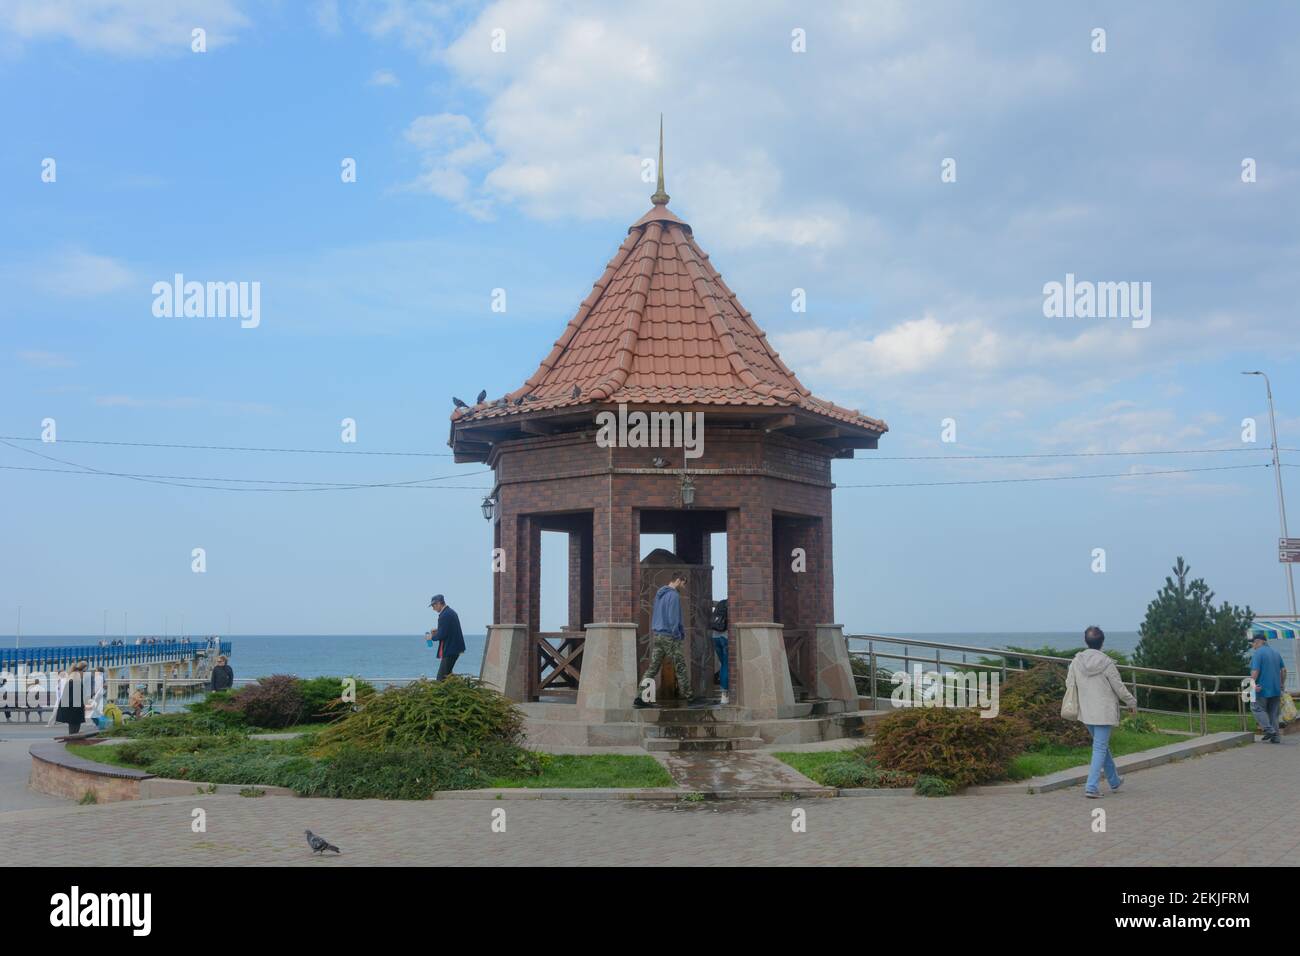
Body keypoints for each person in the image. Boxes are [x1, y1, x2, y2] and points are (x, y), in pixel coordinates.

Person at [1065, 626, 1138, 798]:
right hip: (1104, 711)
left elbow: (1069, 683)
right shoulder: (1107, 663)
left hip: (1086, 711)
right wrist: (1131, 702)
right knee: (1099, 747)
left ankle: (1114, 781)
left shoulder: (1076, 661)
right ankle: (1091, 787)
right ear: (1102, 642)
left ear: (1086, 641)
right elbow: (1119, 687)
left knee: (1101, 747)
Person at [633, 572, 695, 708]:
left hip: (658, 635)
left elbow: (657, 614)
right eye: (683, 584)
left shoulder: (659, 595)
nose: (683, 587)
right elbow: (674, 618)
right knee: (680, 666)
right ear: (679, 580)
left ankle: (639, 698)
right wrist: (677, 634)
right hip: (669, 636)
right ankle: (690, 697)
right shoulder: (673, 595)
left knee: (653, 667)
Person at [1248, 631, 1287, 743]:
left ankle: (1269, 730)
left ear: (1258, 642)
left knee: (1255, 708)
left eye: (1253, 643)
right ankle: (1276, 737)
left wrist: (1252, 685)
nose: (1252, 645)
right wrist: (1281, 684)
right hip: (1276, 689)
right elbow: (1283, 670)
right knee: (1273, 714)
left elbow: (1255, 671)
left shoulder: (1258, 653)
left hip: (1261, 689)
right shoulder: (1275, 652)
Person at [425, 594, 466, 680]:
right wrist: (438, 629)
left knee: (441, 679)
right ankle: (459, 691)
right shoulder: (450, 612)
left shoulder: (444, 615)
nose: (433, 608)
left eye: (434, 605)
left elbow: (442, 635)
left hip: (450, 650)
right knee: (448, 677)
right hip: (455, 649)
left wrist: (431, 637)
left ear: (439, 603)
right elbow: (449, 629)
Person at [53, 661, 91, 736]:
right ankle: (72, 740)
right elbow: (78, 695)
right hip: (74, 707)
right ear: (82, 670)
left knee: (73, 726)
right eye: (85, 672)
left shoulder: (73, 676)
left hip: (70, 706)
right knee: (75, 726)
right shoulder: (76, 678)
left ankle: (72, 740)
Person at [709, 597, 730, 706]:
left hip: (715, 637)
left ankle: (724, 692)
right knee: (726, 665)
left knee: (723, 665)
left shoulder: (721, 603)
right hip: (725, 638)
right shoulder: (732, 605)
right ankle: (725, 694)